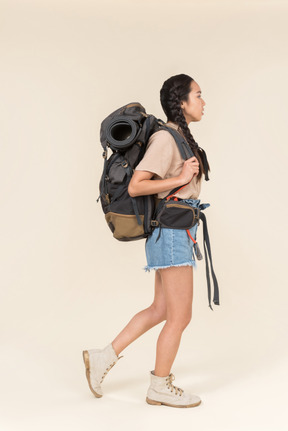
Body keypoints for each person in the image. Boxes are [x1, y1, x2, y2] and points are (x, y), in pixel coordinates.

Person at [83, 74, 210, 408]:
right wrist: (181, 177)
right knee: (180, 317)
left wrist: (180, 180)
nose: (203, 101)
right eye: (198, 95)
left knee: (161, 309)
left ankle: (101, 357)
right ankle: (159, 386)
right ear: (181, 102)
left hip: (175, 230)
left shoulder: (178, 137)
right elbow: (137, 185)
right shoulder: (166, 140)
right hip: (171, 232)